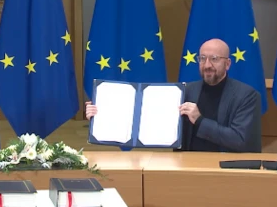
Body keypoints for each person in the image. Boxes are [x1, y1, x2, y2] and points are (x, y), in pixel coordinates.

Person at [85, 38, 261, 153]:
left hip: (224, 170)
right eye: (202, 59)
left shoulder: (246, 96)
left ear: (227, 63)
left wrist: (200, 120)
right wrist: (101, 116)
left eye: (214, 59)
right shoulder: (186, 91)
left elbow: (240, 141)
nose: (207, 65)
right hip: (185, 167)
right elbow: (147, 122)